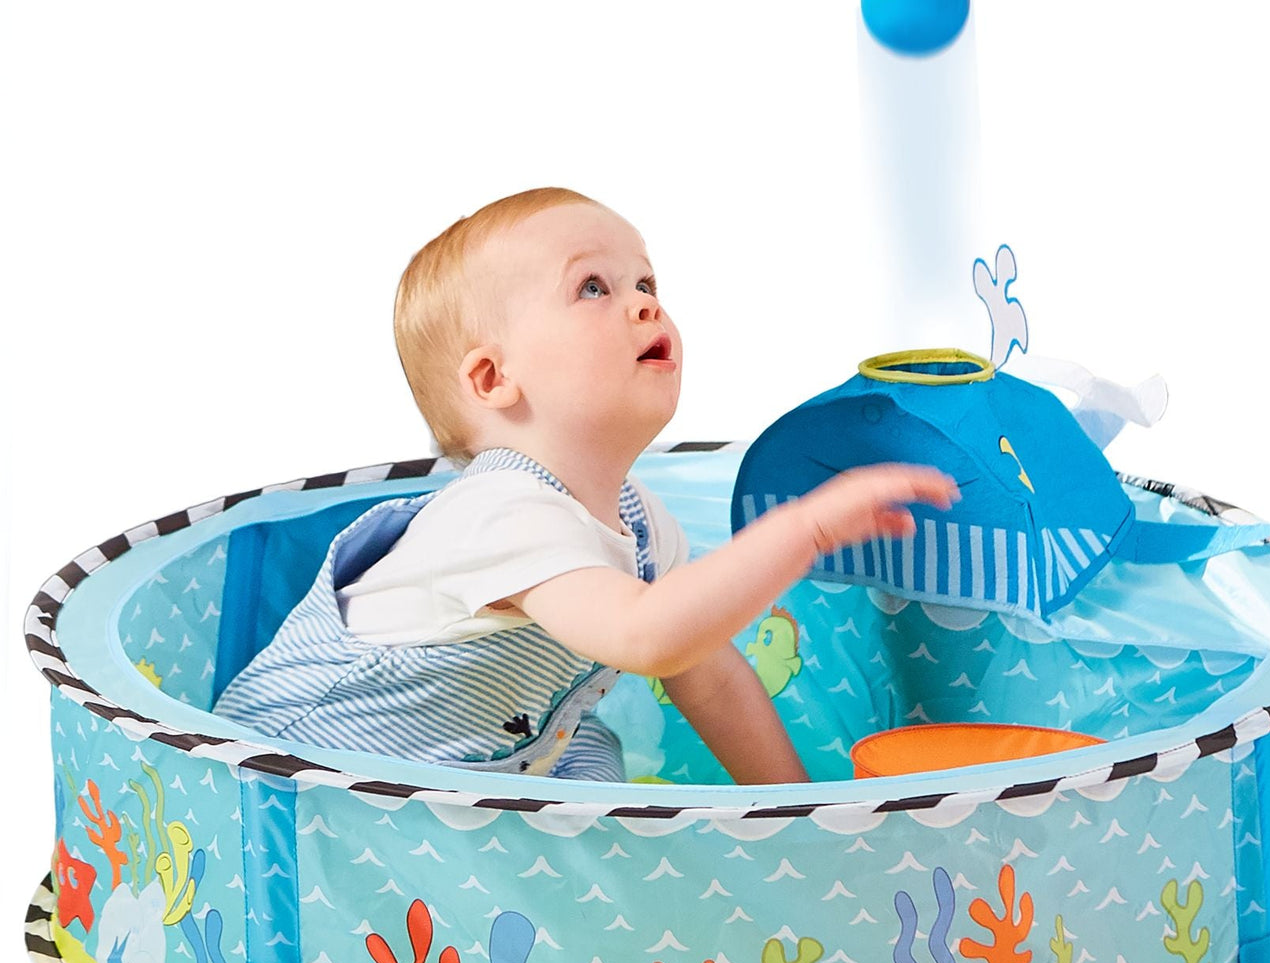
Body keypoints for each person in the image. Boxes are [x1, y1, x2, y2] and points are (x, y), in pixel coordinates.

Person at [215, 188, 959, 784]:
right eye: (593, 287)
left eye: (646, 282)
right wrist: (807, 529)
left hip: (496, 759)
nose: (646, 303)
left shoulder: (640, 524)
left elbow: (713, 680)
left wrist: (798, 816)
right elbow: (645, 634)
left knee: (591, 767)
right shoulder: (497, 512)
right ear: (492, 377)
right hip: (302, 778)